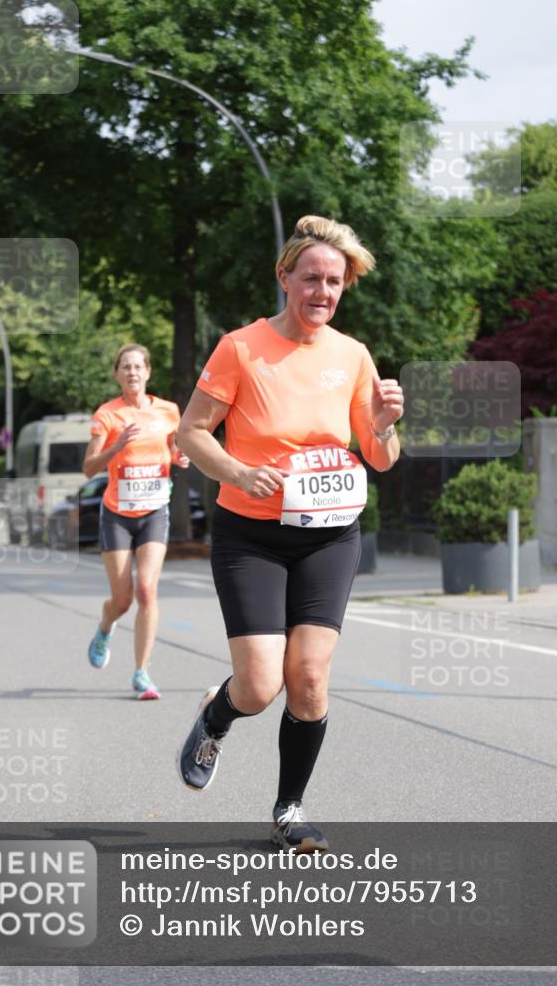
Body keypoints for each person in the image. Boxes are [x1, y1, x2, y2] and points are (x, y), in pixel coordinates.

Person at [175, 216, 404, 850]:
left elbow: (380, 456)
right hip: (251, 534)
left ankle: (290, 808)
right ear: (285, 278)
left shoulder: (352, 355)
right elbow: (191, 433)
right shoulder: (241, 348)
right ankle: (214, 719)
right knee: (258, 685)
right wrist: (239, 472)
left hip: (330, 535)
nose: (322, 292)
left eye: (334, 282)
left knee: (307, 678)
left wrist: (383, 425)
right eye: (311, 279)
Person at [83, 343, 189, 699]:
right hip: (116, 515)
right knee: (123, 599)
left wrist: (181, 457)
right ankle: (105, 626)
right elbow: (88, 468)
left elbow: (175, 450)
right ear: (117, 374)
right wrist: (115, 447)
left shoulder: (168, 411)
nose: (132, 372)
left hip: (154, 511)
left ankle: (142, 673)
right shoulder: (107, 415)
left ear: (147, 372)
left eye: (137, 366)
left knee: (147, 589)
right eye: (125, 367)